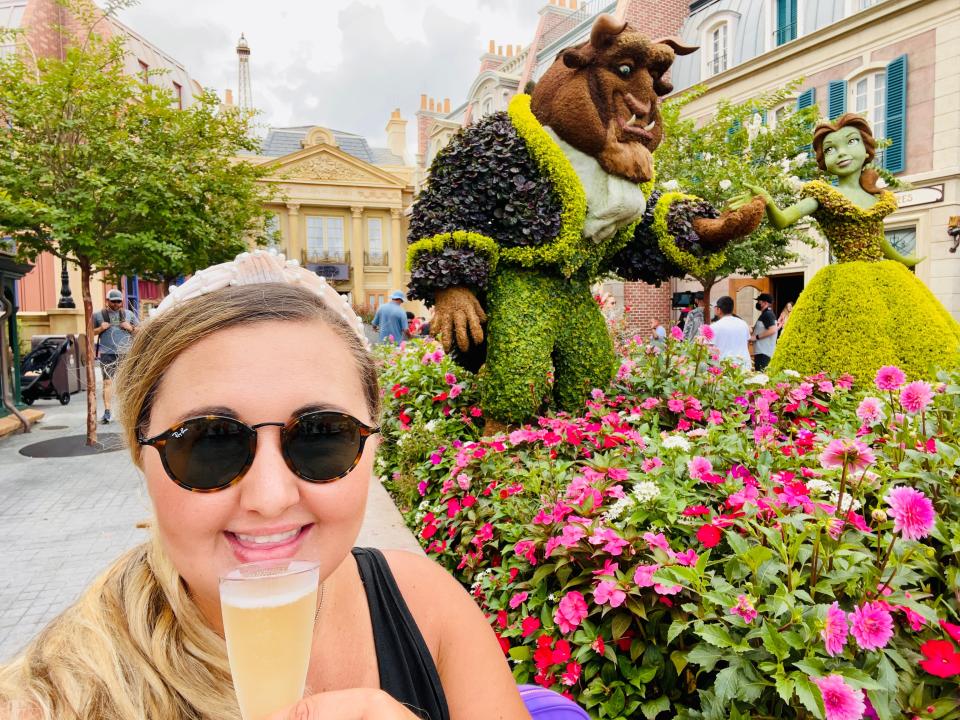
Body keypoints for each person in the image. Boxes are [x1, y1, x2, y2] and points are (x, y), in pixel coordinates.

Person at [0, 252, 531, 720]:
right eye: (208, 443)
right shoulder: (58, 697)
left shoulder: (431, 609)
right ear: (143, 455)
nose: (270, 497)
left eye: (324, 436)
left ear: (374, 445)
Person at [731, 113, 960, 378]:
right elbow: (783, 220)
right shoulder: (822, 195)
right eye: (830, 149)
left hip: (887, 279)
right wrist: (768, 202)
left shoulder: (877, 198)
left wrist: (904, 259)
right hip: (844, 280)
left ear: (866, 150)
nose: (841, 153)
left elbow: (878, 239)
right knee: (853, 338)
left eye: (850, 142)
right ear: (824, 161)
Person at [91, 288, 138, 424]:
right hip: (107, 354)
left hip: (126, 353)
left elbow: (141, 329)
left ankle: (129, 410)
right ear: (107, 301)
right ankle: (107, 412)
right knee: (107, 383)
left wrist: (131, 328)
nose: (116, 304)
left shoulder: (128, 314)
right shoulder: (98, 315)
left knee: (128, 383)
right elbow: (89, 333)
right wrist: (100, 328)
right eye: (113, 301)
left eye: (119, 301)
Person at [709, 295, 751, 368]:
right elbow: (747, 344)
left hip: (725, 366)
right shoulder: (743, 324)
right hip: (744, 365)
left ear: (719, 310)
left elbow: (710, 350)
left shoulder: (714, 326)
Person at [750, 292, 777, 371]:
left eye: (759, 301)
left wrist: (756, 337)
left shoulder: (767, 314)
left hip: (763, 353)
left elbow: (772, 329)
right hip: (762, 352)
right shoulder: (766, 314)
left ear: (765, 303)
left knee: (761, 378)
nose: (757, 303)